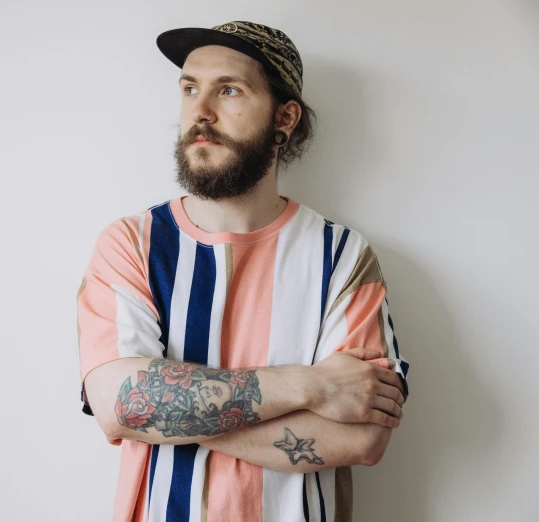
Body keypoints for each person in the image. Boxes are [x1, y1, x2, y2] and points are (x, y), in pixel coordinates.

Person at [75, 20, 410, 522]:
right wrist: (313, 387)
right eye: (190, 88)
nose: (200, 112)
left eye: (228, 90)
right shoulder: (131, 244)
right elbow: (120, 405)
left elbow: (361, 438)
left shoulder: (343, 257)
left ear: (285, 117)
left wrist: (168, 413)